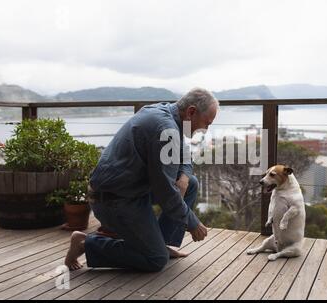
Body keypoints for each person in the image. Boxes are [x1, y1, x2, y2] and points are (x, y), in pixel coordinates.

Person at [64, 88, 219, 271]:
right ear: (191, 112)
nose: (205, 130)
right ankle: (85, 243)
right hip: (114, 200)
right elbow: (166, 193)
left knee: (190, 183)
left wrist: (184, 176)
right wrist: (193, 223)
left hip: (132, 190)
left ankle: (163, 243)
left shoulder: (165, 113)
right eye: (206, 123)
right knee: (155, 259)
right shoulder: (167, 129)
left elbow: (185, 155)